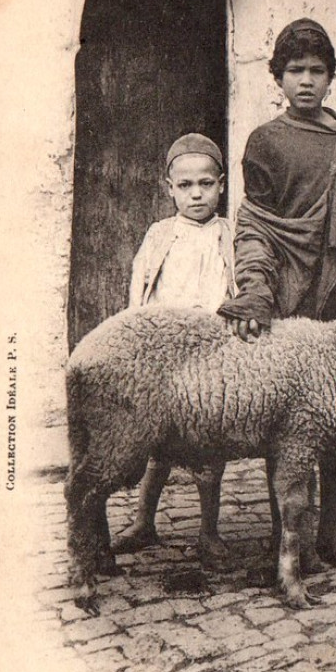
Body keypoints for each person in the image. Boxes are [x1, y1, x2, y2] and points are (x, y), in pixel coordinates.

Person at [218, 18, 336, 569]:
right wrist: (257, 290)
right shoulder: (265, 142)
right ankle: (285, 537)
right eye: (295, 71)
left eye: (317, 71)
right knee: (288, 429)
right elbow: (256, 227)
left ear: (332, 77)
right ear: (277, 77)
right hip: (289, 304)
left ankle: (329, 534)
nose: (306, 81)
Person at [112, 133, 233, 568]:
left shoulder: (229, 236)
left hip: (209, 356)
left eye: (206, 183)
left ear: (221, 183)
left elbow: (235, 293)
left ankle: (208, 532)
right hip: (164, 354)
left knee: (209, 447)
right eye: (186, 186)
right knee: (158, 444)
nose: (197, 194)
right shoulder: (160, 235)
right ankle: (144, 520)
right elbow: (140, 291)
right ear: (169, 188)